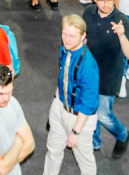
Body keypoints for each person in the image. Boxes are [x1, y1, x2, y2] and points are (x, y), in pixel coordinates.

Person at [82, 0, 129, 158]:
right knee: (90, 110)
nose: (106, 4)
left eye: (109, 0)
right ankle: (94, 142)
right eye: (101, 0)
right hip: (89, 72)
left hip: (109, 75)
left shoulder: (122, 21)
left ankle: (123, 134)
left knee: (103, 115)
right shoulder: (88, 12)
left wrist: (121, 35)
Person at [43, 15, 99, 175]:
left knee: (85, 161)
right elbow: (64, 75)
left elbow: (88, 104)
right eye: (64, 34)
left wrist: (75, 132)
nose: (67, 39)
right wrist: (57, 98)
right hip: (60, 106)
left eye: (72, 36)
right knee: (53, 150)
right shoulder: (64, 50)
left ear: (83, 36)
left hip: (79, 117)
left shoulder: (88, 65)